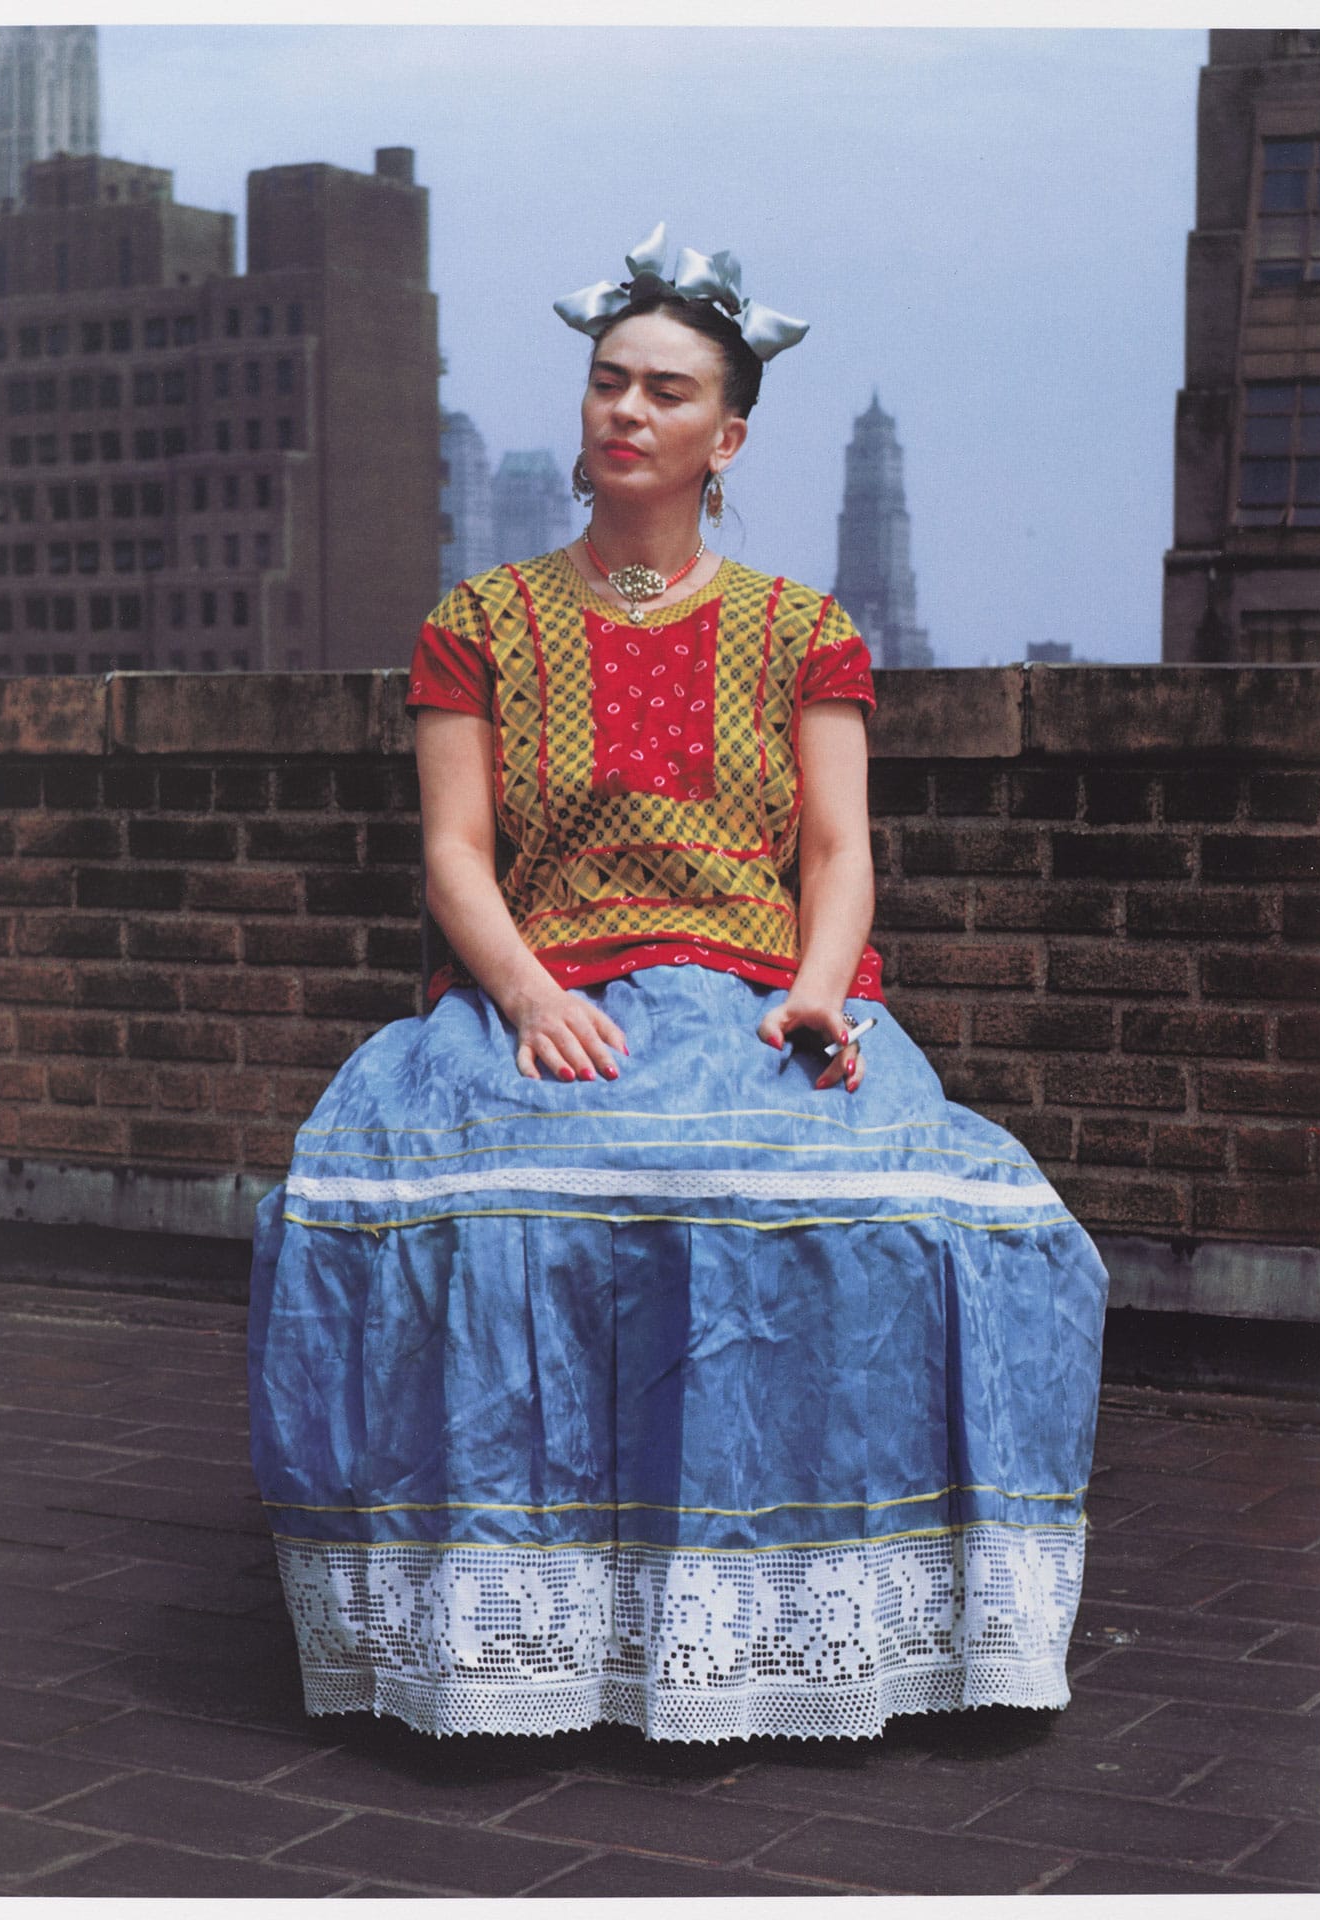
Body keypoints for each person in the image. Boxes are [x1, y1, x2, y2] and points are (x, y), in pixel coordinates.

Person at [247, 224, 1109, 1744]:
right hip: (550, 983)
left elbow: (838, 851)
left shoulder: (802, 632)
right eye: (606, 385)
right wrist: (522, 997)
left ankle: (784, 1620)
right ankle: (525, 1631)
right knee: (491, 1210)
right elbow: (455, 854)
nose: (625, 413)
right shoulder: (481, 626)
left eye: (664, 391)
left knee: (901, 1220)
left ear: (730, 435)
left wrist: (824, 990)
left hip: (763, 993)